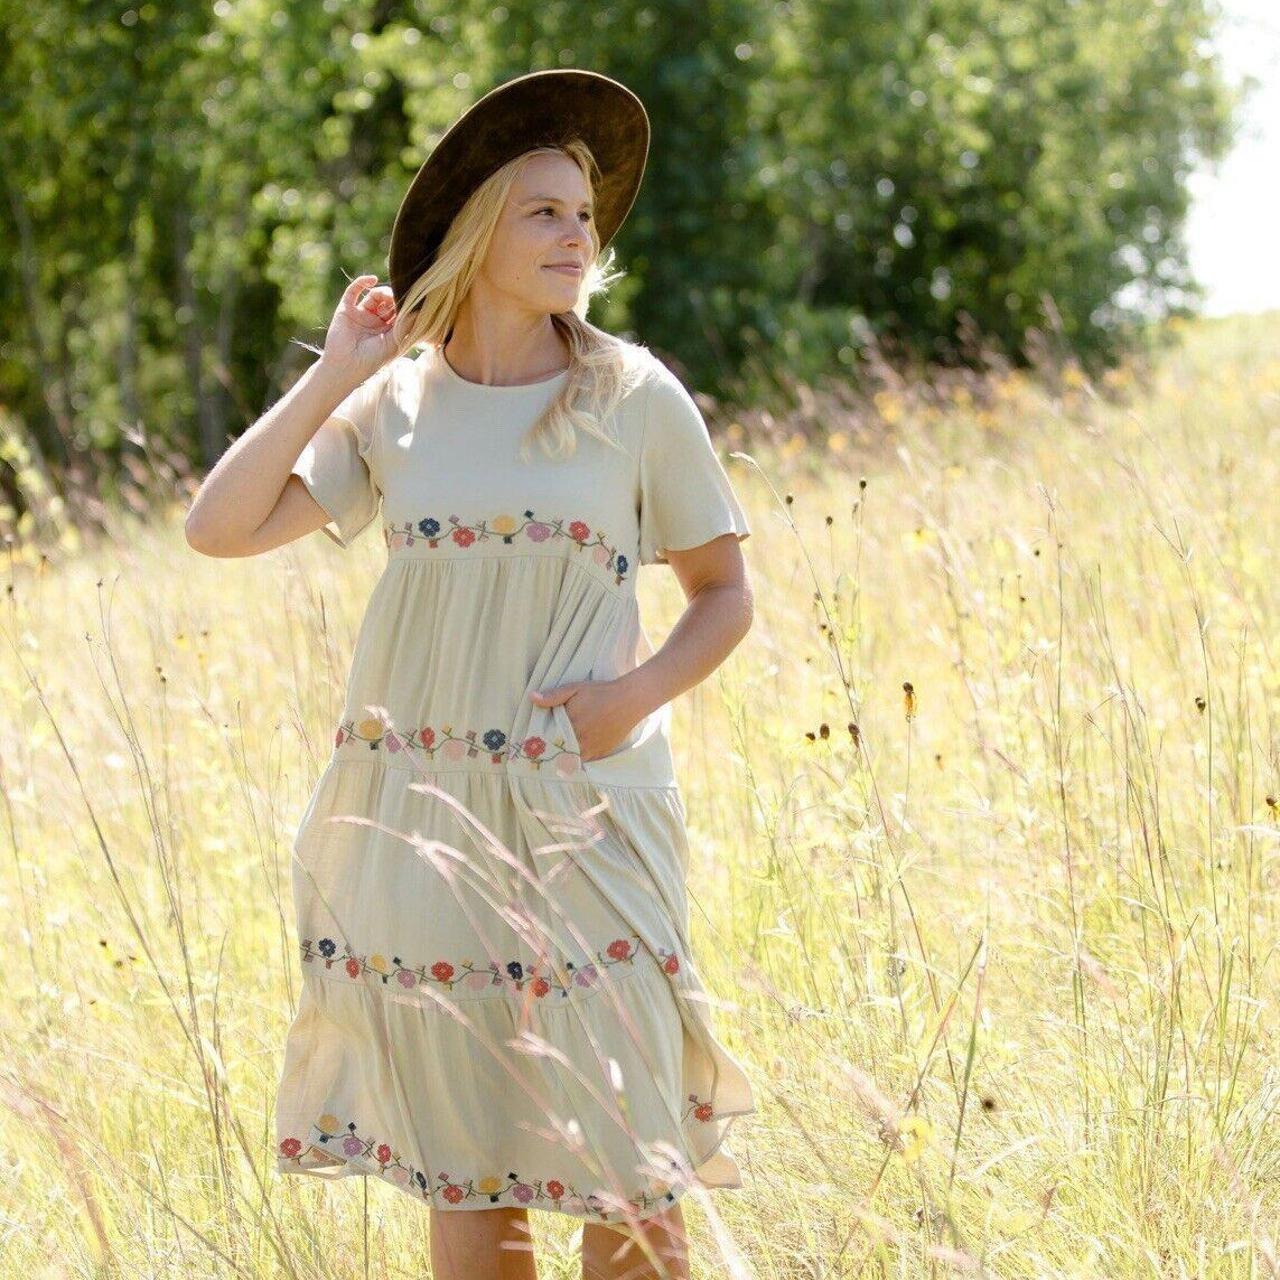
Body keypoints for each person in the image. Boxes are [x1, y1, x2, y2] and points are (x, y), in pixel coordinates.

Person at [185, 69, 756, 1280]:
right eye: (545, 210)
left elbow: (724, 593)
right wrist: (335, 372)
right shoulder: (394, 406)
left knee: (634, 1167)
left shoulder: (632, 394)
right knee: (471, 1173)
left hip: (595, 807)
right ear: (477, 226)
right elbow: (219, 526)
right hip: (425, 820)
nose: (578, 235)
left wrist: (633, 695)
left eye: (585, 215)